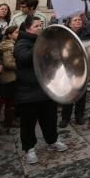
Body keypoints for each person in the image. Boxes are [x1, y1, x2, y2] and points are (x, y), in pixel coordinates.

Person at [14, 16, 67, 163]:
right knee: (28, 123)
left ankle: (52, 141)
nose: (40, 28)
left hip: (46, 89)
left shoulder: (41, 41)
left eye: (40, 25)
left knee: (50, 118)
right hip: (29, 92)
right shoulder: (22, 43)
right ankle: (29, 149)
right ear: (28, 28)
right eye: (37, 26)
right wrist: (41, 47)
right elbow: (23, 58)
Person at [59, 15, 87, 127]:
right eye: (75, 20)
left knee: (81, 93)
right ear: (70, 24)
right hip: (69, 67)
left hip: (82, 66)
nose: (78, 22)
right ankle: (65, 118)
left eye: (79, 20)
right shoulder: (65, 34)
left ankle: (79, 116)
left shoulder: (87, 32)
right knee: (69, 92)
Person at [0, 25, 18, 129]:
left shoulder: (12, 44)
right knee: (3, 101)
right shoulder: (9, 46)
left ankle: (9, 121)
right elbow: (8, 63)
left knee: (10, 101)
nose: (18, 34)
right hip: (7, 78)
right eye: (16, 32)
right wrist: (20, 65)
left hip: (11, 78)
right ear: (9, 35)